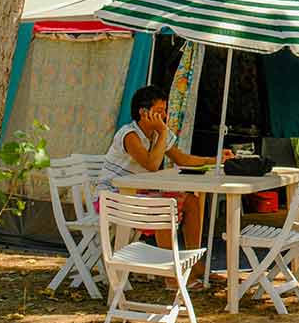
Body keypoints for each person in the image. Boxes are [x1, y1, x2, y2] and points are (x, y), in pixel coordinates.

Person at [97, 85, 232, 287]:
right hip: (113, 199)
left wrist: (215, 159)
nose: (164, 116)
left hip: (138, 194)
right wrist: (161, 131)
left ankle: (196, 265)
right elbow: (151, 164)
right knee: (163, 206)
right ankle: (170, 275)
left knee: (191, 201)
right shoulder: (129, 135)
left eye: (164, 111)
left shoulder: (159, 134)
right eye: (159, 111)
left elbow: (182, 159)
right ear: (144, 113)